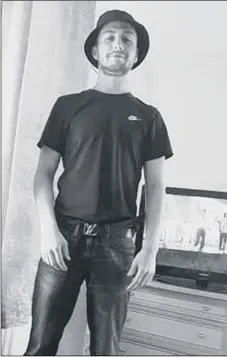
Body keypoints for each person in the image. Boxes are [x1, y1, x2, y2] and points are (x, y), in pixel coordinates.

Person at [24, 10, 173, 356]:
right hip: (62, 239)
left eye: (127, 39)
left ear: (136, 54)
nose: (118, 44)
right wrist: (48, 230)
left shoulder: (149, 117)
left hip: (118, 246)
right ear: (95, 51)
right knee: (40, 346)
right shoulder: (67, 107)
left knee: (106, 350)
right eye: (110, 37)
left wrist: (149, 250)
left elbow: (155, 188)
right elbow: (43, 174)